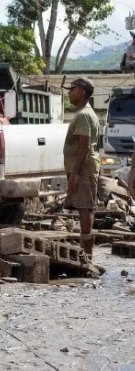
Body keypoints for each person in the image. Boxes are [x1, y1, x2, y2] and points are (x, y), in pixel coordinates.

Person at [61, 77, 101, 258]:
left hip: (84, 170)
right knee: (83, 207)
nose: (69, 92)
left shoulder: (84, 115)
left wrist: (75, 173)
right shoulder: (83, 113)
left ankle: (87, 255)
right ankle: (86, 252)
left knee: (85, 208)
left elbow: (84, 147)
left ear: (82, 92)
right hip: (82, 169)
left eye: (73, 89)